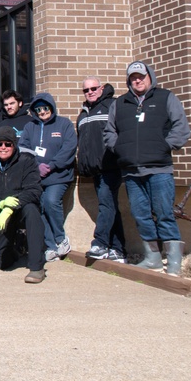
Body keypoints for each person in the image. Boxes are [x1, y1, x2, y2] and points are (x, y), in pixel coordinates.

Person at [104, 61, 191, 275]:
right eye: (133, 77)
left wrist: (165, 146)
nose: (137, 80)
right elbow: (109, 132)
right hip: (131, 171)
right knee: (140, 214)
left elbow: (181, 127)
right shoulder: (120, 103)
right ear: (129, 80)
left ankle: (173, 262)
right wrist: (120, 149)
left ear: (150, 76)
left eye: (141, 76)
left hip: (159, 169)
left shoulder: (165, 98)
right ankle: (152, 259)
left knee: (164, 214)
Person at [0, 126, 47, 284]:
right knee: (0, 263)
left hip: (21, 209)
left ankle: (36, 267)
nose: (3, 148)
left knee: (33, 212)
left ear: (14, 145)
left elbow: (34, 190)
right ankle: (17, 247)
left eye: (8, 144)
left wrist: (12, 205)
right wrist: (0, 203)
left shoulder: (27, 161)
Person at [19, 92, 77, 263]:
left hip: (59, 176)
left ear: (51, 107)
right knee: (40, 209)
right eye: (38, 109)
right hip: (37, 177)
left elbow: (69, 148)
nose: (42, 111)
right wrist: (36, 166)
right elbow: (23, 148)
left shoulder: (64, 124)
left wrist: (51, 166)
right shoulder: (30, 127)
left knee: (51, 202)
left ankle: (60, 238)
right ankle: (50, 246)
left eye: (45, 108)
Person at [77, 78, 126, 263]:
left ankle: (100, 243)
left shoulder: (112, 107)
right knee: (110, 206)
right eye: (86, 90)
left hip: (111, 167)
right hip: (95, 170)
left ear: (102, 88)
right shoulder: (83, 114)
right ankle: (118, 249)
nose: (89, 92)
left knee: (106, 205)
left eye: (93, 88)